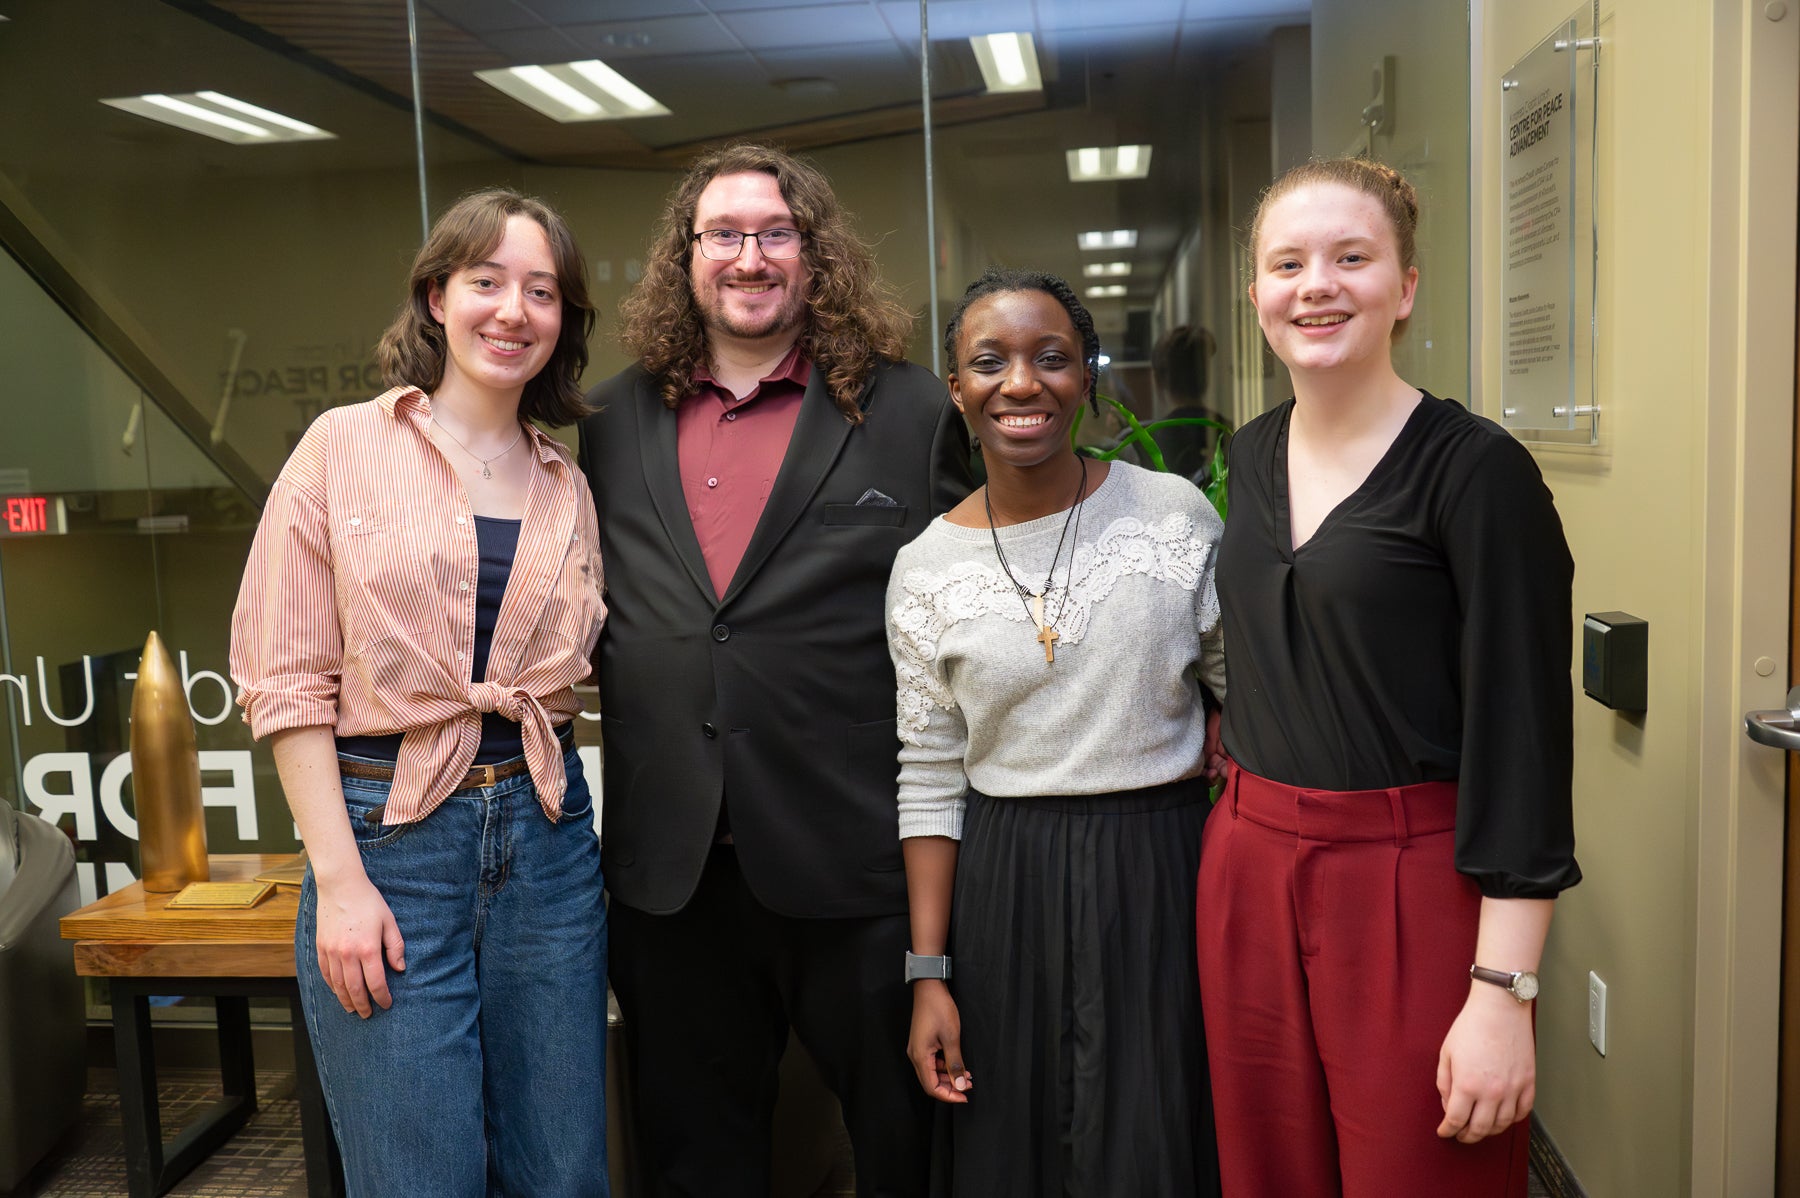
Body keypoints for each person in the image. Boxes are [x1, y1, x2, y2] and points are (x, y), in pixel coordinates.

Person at [577, 143, 971, 1197]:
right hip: (674, 877)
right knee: (695, 1158)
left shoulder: (910, 411)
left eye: (775, 233)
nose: (749, 257)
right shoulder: (609, 424)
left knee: (906, 1149)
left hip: (854, 864)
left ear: (814, 252)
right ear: (686, 256)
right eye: (724, 235)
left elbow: (972, 610)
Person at [1197, 156, 1581, 1197]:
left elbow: (1525, 742)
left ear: (1406, 286)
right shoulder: (1253, 450)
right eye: (1289, 263)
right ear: (1258, 297)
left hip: (1410, 885)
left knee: (1421, 1172)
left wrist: (1503, 990)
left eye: (1351, 258)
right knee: (1269, 1171)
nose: (1316, 284)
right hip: (1247, 871)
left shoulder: (1477, 474)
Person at [230, 188, 610, 1197]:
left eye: (541, 291)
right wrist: (341, 883)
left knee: (563, 1168)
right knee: (417, 1175)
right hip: (387, 836)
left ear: (563, 320)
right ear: (437, 296)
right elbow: (285, 679)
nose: (512, 310)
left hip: (545, 834)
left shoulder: (567, 482)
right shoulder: (341, 447)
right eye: (487, 282)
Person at [889, 268, 1227, 1196]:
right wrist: (929, 972)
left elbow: (1244, 699)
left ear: (1087, 377)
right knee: (1020, 1144)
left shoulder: (1172, 515)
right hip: (1006, 878)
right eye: (988, 362)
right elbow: (930, 774)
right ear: (956, 388)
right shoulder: (925, 568)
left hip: (1164, 862)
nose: (1021, 384)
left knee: (1159, 1134)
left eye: (1052, 359)